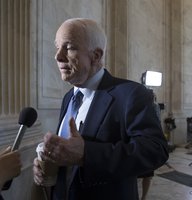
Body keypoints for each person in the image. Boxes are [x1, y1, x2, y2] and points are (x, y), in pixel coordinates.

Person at [33, 18, 169, 200]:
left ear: (96, 55)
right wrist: (50, 165)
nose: (57, 56)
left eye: (69, 47)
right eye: (57, 47)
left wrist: (86, 154)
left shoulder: (131, 94)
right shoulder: (68, 97)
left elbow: (155, 151)